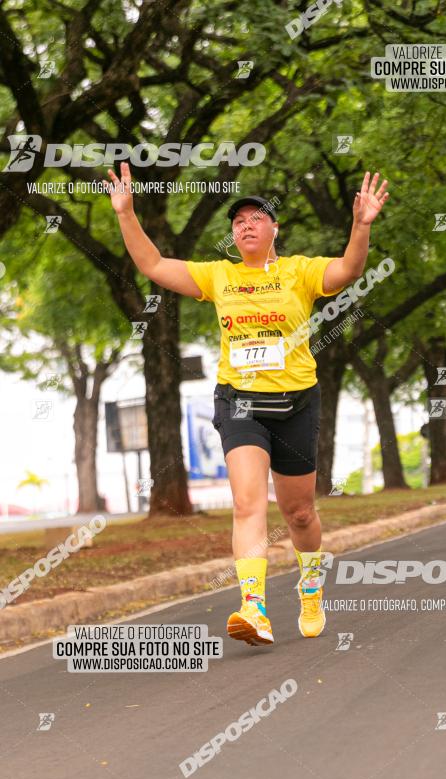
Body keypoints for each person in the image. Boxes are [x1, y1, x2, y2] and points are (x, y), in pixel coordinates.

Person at [106, 162, 389, 644]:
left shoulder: (299, 272)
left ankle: (311, 586)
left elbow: (349, 269)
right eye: (238, 221)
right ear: (233, 236)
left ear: (274, 229)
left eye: (256, 218)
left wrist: (360, 227)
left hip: (297, 401)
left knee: (299, 513)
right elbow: (154, 266)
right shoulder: (219, 277)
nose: (246, 225)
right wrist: (127, 214)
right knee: (246, 501)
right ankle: (253, 607)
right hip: (239, 401)